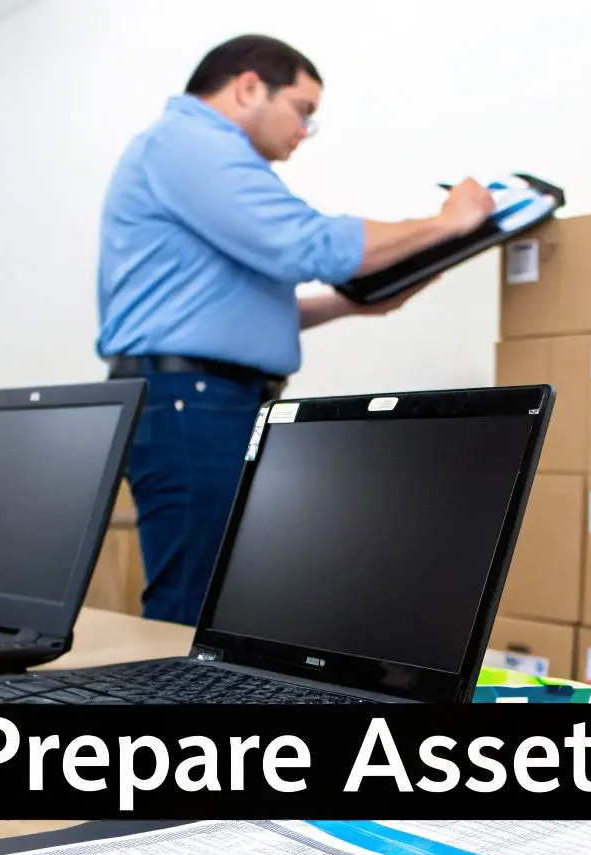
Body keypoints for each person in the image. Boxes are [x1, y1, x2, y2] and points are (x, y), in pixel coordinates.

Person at [96, 34, 497, 626]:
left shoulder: (184, 155)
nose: (304, 131)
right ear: (248, 86)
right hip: (192, 406)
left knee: (231, 599)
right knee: (196, 603)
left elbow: (227, 308)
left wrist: (350, 306)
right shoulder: (192, 144)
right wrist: (445, 223)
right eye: (303, 110)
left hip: (210, 401)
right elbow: (307, 244)